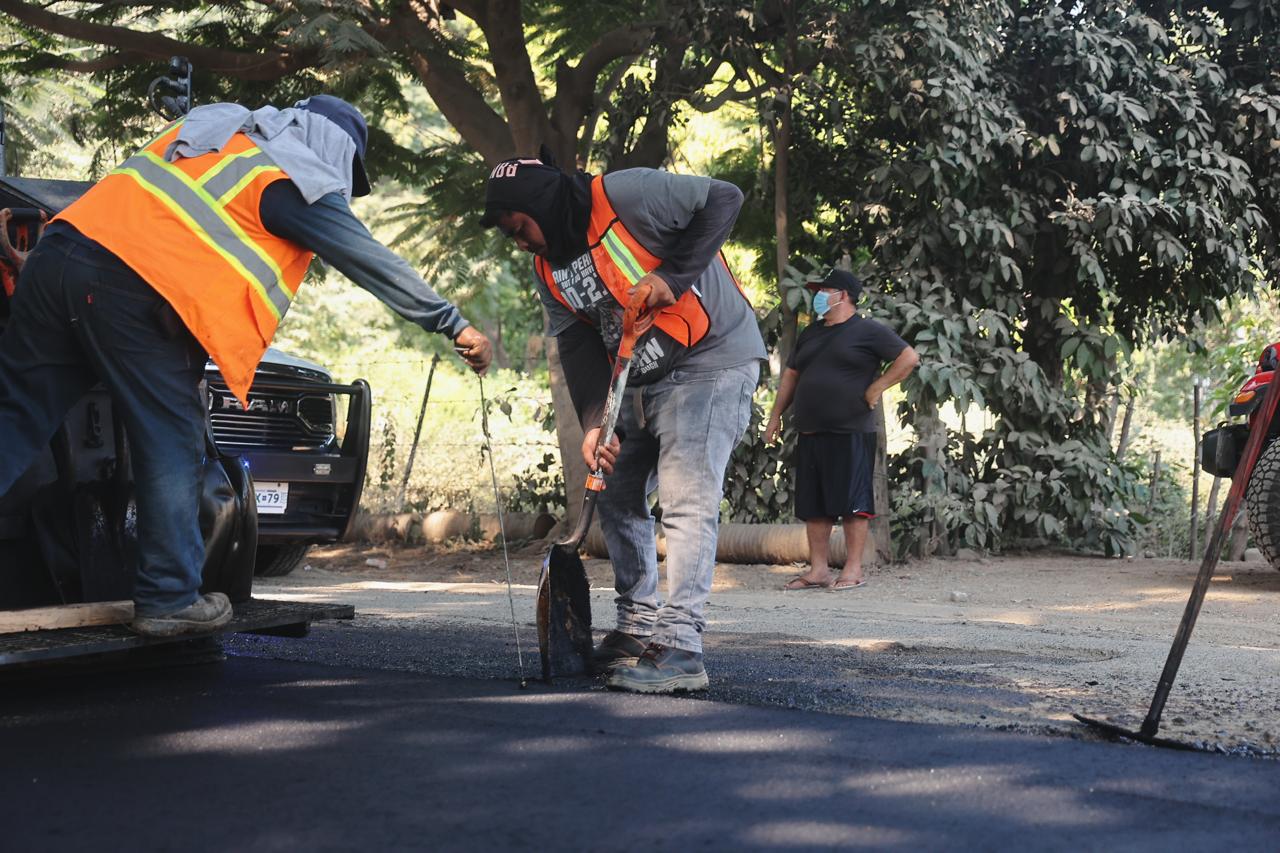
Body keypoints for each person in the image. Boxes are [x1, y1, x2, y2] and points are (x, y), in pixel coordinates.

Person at [0, 95, 491, 637]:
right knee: (172, 439)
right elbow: (371, 259)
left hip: (55, 257)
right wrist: (454, 324)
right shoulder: (293, 176)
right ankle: (168, 599)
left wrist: (60, 273)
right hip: (127, 288)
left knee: (14, 420)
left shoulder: (214, 136)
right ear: (335, 147)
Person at [482, 152, 765, 693]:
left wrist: (671, 277)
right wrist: (596, 423)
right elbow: (577, 342)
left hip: (712, 359)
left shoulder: (627, 194)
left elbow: (724, 197)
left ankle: (681, 645)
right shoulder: (548, 269)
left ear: (543, 205)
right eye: (509, 235)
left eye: (519, 228)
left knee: (686, 496)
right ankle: (638, 626)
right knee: (611, 484)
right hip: (640, 376)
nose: (518, 243)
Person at [764, 268, 918, 590]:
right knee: (814, 506)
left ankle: (853, 570)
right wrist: (776, 416)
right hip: (810, 430)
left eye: (824, 290)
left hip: (851, 430)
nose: (818, 296)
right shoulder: (811, 332)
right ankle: (818, 570)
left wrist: (876, 388)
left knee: (853, 503)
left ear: (843, 295)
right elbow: (791, 374)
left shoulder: (867, 330)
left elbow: (908, 358)